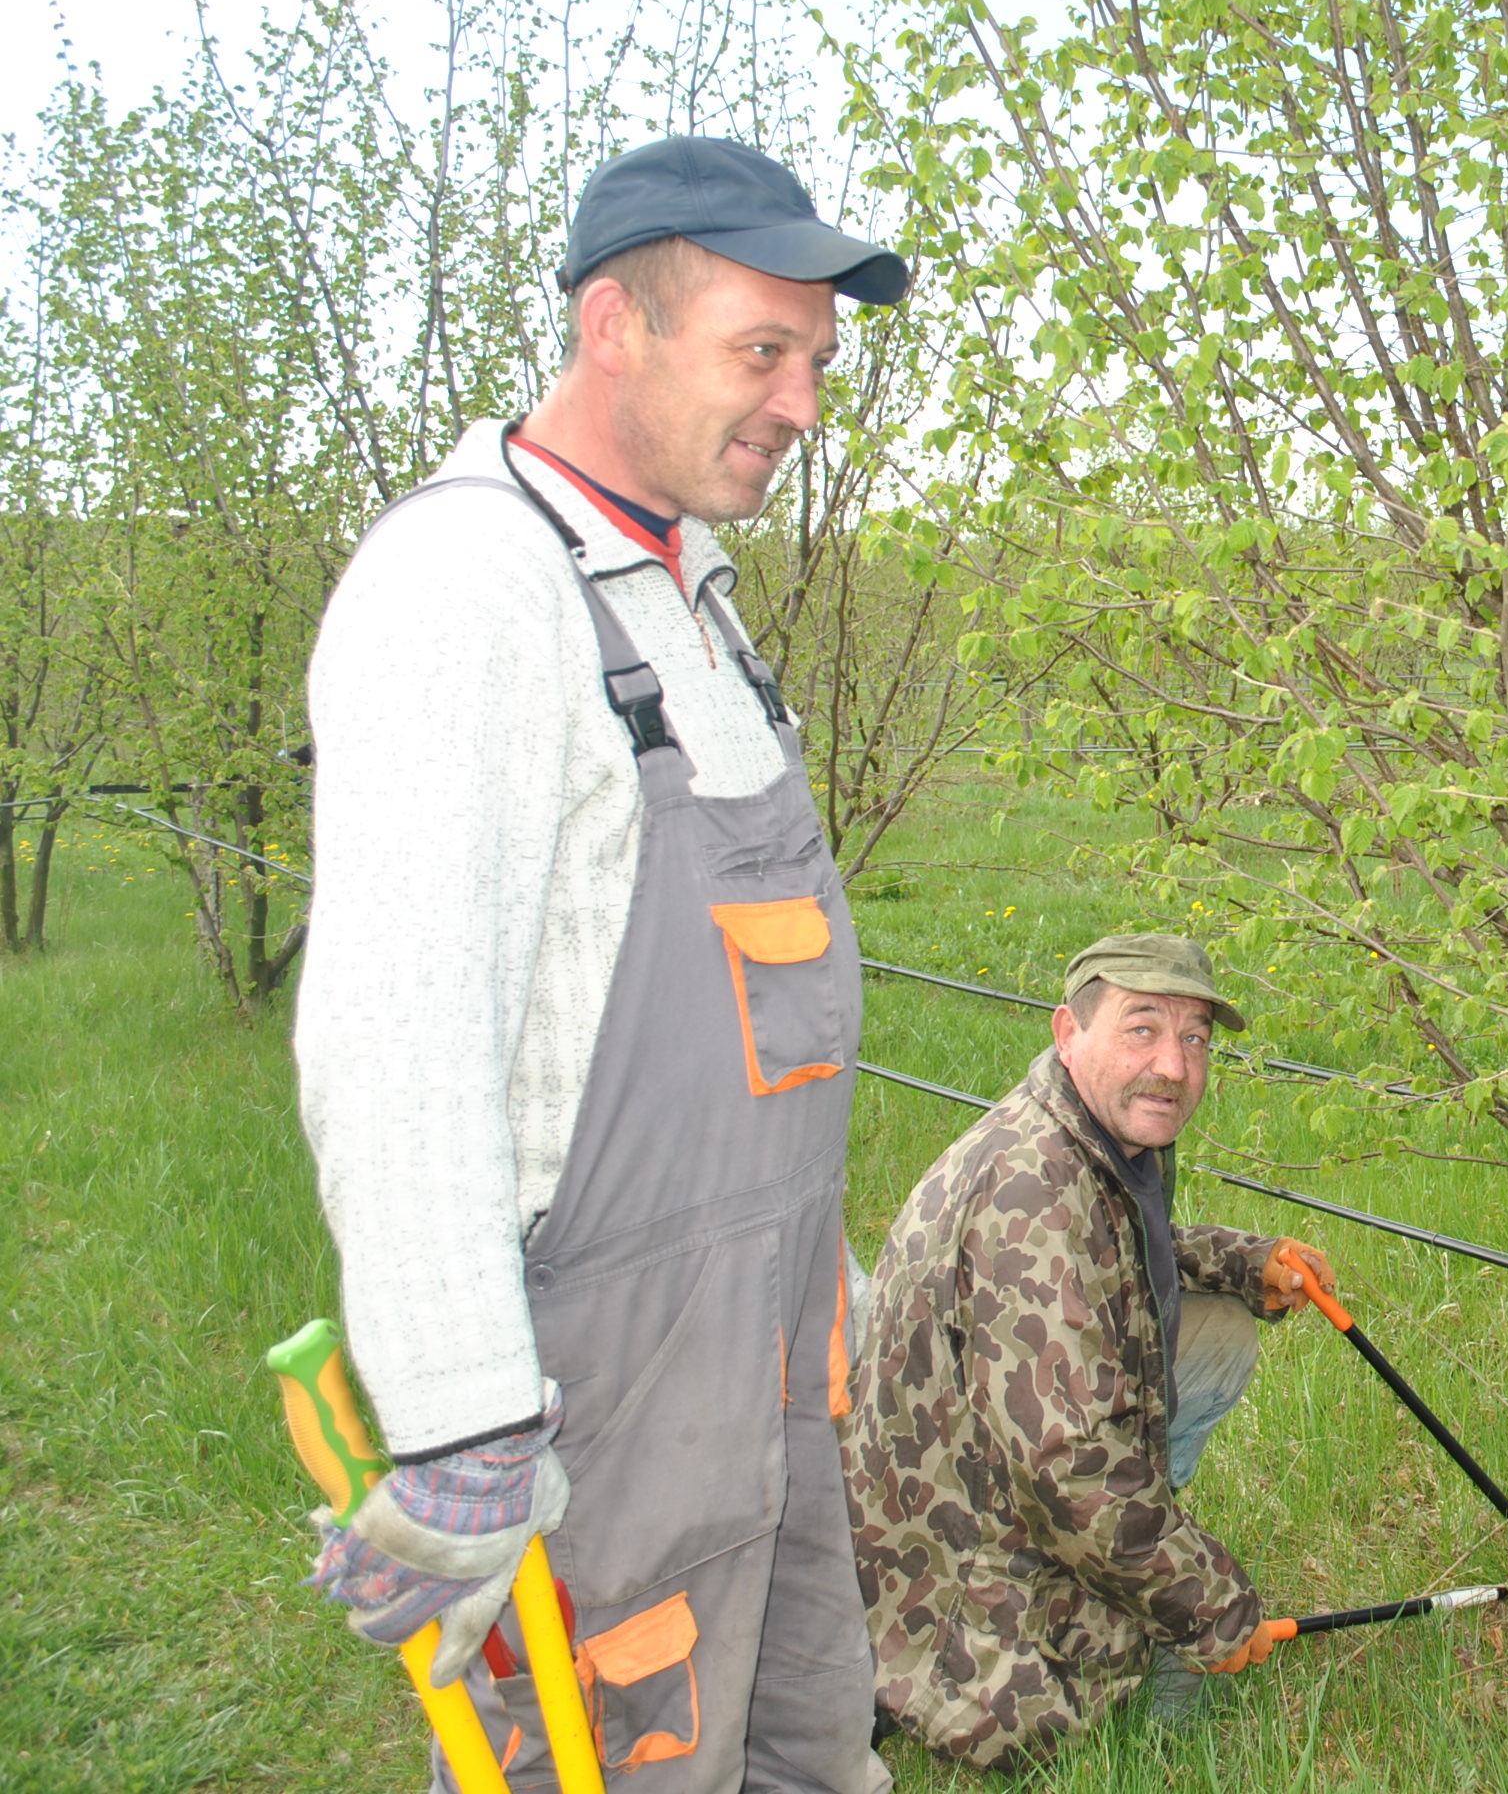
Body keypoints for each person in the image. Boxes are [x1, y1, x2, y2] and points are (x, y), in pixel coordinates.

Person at [295, 137, 910, 1790]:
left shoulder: (686, 594)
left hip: (764, 1365)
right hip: (604, 1399)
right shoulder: (470, 591)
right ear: (611, 326)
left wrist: (815, 1264)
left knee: (798, 1735)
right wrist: (465, 1422)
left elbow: (747, 1030)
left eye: (817, 362)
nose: (800, 402)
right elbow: (396, 1034)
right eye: (760, 351)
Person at [842, 933, 1337, 1767]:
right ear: (1068, 1032)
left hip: (991, 1461)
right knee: (1067, 1707)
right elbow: (1070, 1465)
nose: (1174, 1067)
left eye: (1194, 1040)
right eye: (1141, 1030)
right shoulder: (1033, 1189)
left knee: (1219, 1330)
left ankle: (1143, 1551)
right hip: (951, 1556)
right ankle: (1132, 1585)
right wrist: (1211, 1606)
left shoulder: (1091, 1136)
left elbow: (1122, 1246)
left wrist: (1246, 1264)